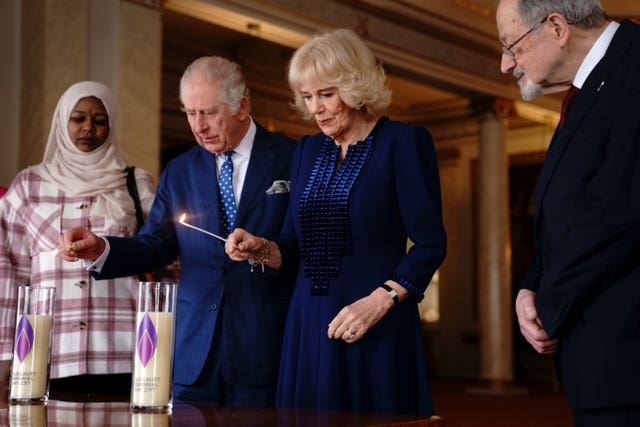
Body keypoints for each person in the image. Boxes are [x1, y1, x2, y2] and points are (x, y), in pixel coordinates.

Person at [226, 28, 446, 416]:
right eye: (308, 97)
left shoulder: (404, 142)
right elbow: (293, 245)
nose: (316, 108)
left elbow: (430, 244)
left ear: (356, 86)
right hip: (307, 325)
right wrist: (260, 248)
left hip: (377, 324)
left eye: (327, 94)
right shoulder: (308, 150)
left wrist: (381, 301)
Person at [58, 56, 296, 406]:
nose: (198, 126)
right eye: (190, 113)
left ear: (242, 106)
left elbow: (305, 243)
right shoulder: (180, 170)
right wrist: (102, 249)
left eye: (209, 112)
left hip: (266, 346)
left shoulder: (292, 157)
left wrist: (267, 248)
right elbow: (157, 245)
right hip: (193, 351)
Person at [497, 0, 640, 425]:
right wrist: (531, 285)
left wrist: (547, 302)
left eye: (511, 46)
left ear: (556, 27)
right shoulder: (595, 83)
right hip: (604, 360)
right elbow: (572, 213)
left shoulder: (633, 72)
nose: (506, 65)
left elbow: (619, 215)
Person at [0, 81, 156, 399]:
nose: (89, 128)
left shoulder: (135, 184)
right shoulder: (28, 186)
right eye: (78, 118)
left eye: (100, 120)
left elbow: (160, 257)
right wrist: (4, 350)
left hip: (125, 352)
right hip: (45, 355)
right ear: (62, 121)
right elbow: (9, 274)